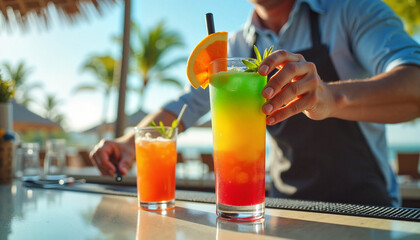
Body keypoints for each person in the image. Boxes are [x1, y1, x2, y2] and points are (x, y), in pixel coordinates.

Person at [90, 0, 420, 207]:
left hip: (367, 209)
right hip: (283, 209)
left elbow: (414, 85)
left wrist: (332, 97)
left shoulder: (353, 10)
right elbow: (186, 105)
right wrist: (131, 143)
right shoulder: (232, 47)